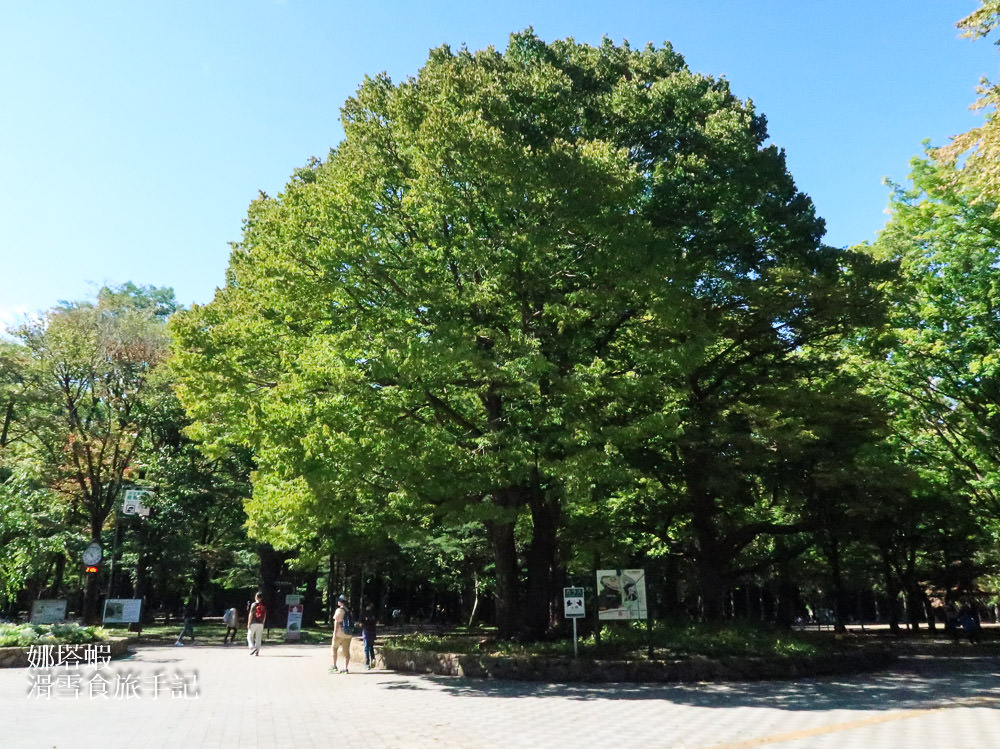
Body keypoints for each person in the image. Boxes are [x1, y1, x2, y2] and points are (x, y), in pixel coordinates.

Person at [330, 594, 353, 674]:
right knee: (346, 652)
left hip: (340, 634)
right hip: (348, 634)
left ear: (341, 602)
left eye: (338, 601)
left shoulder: (339, 610)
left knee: (334, 648)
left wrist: (334, 634)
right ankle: (345, 668)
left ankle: (334, 666)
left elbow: (336, 622)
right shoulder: (349, 611)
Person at [361, 606, 377, 670]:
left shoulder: (364, 614)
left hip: (367, 632)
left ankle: (368, 663)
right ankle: (372, 660)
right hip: (371, 631)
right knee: (370, 647)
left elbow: (361, 623)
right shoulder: (373, 614)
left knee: (367, 647)